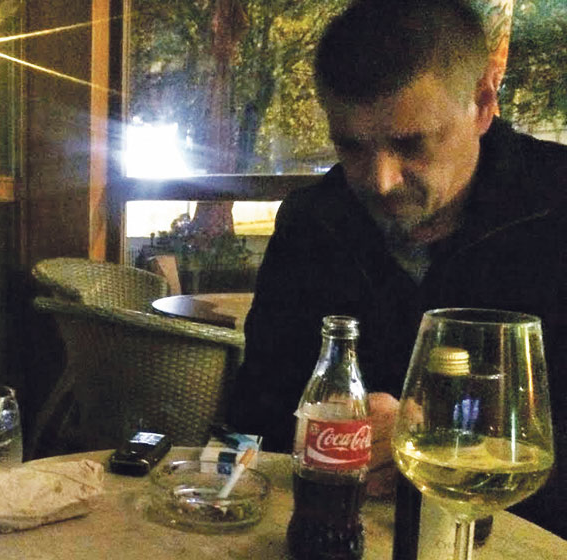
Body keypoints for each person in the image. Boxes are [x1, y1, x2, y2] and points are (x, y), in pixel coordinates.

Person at [228, 0, 566, 538]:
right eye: (352, 147)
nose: (381, 180)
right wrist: (329, 429)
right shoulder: (312, 222)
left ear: (483, 103)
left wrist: (442, 440)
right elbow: (253, 413)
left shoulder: (554, 209)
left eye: (410, 144)